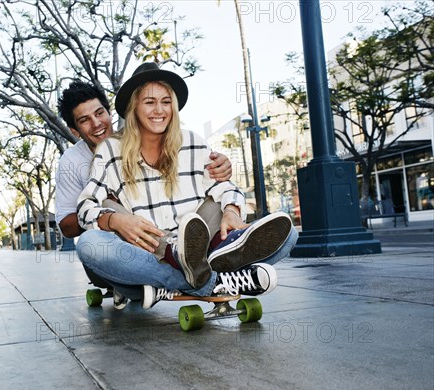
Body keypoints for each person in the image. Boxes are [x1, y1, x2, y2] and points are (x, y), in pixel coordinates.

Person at [76, 62, 297, 308]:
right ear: (134, 107)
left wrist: (232, 211)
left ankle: (197, 267)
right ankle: (211, 281)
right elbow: (85, 207)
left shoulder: (193, 142)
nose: (159, 110)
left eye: (166, 101)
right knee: (89, 245)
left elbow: (224, 188)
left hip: (199, 239)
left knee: (290, 235)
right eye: (149, 102)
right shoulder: (110, 150)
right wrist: (115, 221)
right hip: (151, 251)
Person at [56, 80, 234, 306]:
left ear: (109, 113)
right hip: (118, 249)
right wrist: (112, 219)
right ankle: (203, 282)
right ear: (75, 130)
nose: (96, 123)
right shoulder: (72, 162)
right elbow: (66, 226)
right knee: (90, 245)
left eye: (100, 113)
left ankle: (177, 272)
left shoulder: (140, 136)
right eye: (84, 120)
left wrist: (218, 169)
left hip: (161, 241)